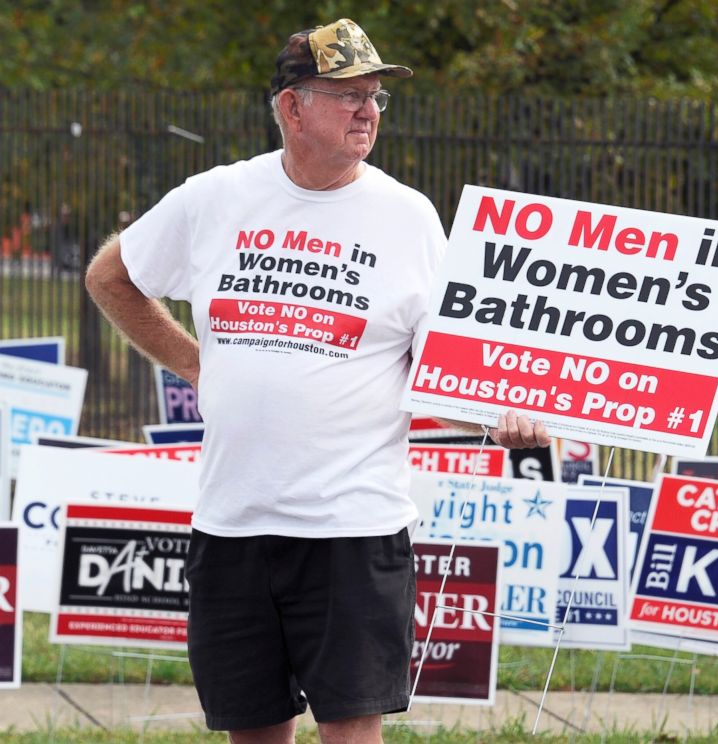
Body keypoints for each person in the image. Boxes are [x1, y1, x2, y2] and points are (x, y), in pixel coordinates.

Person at [85, 18, 549, 744]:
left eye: (375, 97)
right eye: (349, 96)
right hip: (233, 521)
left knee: (352, 729)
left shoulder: (407, 217)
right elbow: (111, 276)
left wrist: (500, 418)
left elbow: (446, 368)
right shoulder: (216, 198)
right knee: (252, 729)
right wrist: (191, 362)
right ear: (291, 107)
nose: (368, 111)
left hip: (353, 529)